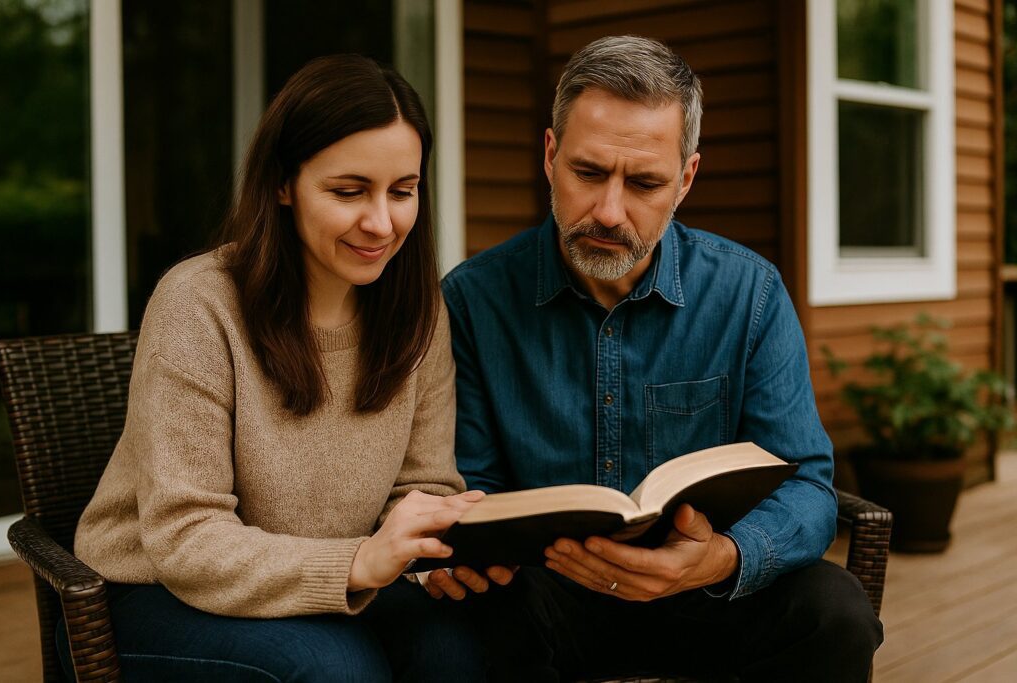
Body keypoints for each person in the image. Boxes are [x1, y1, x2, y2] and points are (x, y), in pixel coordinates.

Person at [428, 35, 883, 681]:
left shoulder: (749, 293)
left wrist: (724, 557)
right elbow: (472, 483)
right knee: (447, 635)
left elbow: (808, 484)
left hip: (706, 592)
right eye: (589, 173)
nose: (609, 212)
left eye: (644, 183)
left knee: (835, 613)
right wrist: (470, 551)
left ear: (686, 179)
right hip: (545, 599)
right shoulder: (473, 300)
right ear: (550, 156)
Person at [70, 55, 486, 682]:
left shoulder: (417, 312)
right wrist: (356, 564)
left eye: (402, 191)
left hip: (335, 580)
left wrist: (437, 556)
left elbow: (422, 486)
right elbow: (186, 537)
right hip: (157, 591)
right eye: (348, 192)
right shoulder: (199, 305)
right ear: (283, 184)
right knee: (333, 670)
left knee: (460, 648)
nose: (381, 222)